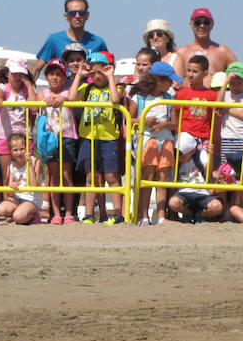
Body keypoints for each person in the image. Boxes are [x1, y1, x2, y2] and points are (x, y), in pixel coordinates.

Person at [68, 52, 123, 224]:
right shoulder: (86, 88)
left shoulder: (117, 87)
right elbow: (70, 98)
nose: (97, 76)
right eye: (93, 73)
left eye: (101, 72)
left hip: (108, 137)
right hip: (89, 137)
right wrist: (79, 75)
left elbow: (115, 100)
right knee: (91, 177)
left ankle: (118, 214)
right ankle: (89, 214)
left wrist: (110, 77)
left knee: (111, 177)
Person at [129, 63, 181, 226]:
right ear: (158, 80)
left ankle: (160, 216)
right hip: (146, 140)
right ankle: (143, 215)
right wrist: (145, 120)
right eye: (169, 81)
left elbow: (175, 123)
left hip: (165, 141)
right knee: (148, 177)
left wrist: (164, 125)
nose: (172, 84)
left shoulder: (169, 98)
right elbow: (128, 119)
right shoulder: (139, 98)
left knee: (162, 179)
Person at [37, 58, 76, 224]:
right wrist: (42, 102)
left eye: (58, 74)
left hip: (66, 137)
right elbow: (35, 106)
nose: (55, 77)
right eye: (51, 74)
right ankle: (55, 213)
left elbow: (74, 97)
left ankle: (68, 212)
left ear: (64, 77)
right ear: (46, 77)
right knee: (52, 176)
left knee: (66, 175)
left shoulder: (68, 92)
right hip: (49, 138)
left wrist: (64, 100)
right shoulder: (42, 93)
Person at [31, 0, 107, 80]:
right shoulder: (54, 40)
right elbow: (36, 70)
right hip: (64, 91)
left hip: (89, 91)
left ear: (87, 15)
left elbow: (107, 71)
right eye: (72, 13)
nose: (77, 16)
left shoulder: (98, 42)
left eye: (81, 12)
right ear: (66, 16)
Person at [0, 59, 35, 181]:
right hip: (4, 136)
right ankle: (8, 199)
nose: (18, 77)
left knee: (26, 175)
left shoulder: (27, 90)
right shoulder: (3, 87)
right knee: (7, 175)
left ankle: (26, 198)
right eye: (14, 73)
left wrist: (28, 85)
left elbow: (34, 108)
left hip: (24, 137)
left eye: (21, 73)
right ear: (7, 73)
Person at [168, 133, 224, 223]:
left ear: (192, 151)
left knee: (217, 206)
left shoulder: (201, 155)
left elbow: (209, 171)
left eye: (182, 155)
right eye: (176, 154)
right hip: (183, 193)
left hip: (202, 193)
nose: (179, 157)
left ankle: (200, 214)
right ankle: (190, 214)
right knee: (173, 202)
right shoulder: (175, 161)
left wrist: (211, 156)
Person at [174, 55, 217, 167]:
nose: (190, 74)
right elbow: (177, 116)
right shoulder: (182, 93)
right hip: (186, 136)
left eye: (195, 71)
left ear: (205, 73)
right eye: (189, 70)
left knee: (207, 167)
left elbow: (213, 119)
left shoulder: (211, 95)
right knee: (178, 159)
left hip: (203, 139)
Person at [176, 8, 237, 86]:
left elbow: (239, 74)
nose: (202, 26)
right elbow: (173, 82)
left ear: (212, 24)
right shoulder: (181, 53)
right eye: (197, 23)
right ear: (191, 24)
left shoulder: (223, 51)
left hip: (215, 97)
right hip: (187, 97)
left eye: (206, 22)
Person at [214, 62, 243, 177]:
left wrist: (226, 109)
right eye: (232, 82)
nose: (235, 85)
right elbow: (218, 104)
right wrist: (225, 82)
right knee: (225, 171)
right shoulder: (225, 95)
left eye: (239, 82)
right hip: (227, 137)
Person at [0, 133, 42, 224]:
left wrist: (29, 164)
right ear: (10, 151)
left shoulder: (35, 161)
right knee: (0, 210)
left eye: (22, 149)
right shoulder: (11, 165)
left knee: (19, 216)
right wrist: (11, 187)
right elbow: (9, 194)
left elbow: (34, 185)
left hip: (31, 199)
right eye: (15, 150)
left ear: (27, 148)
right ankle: (18, 213)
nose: (19, 153)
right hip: (16, 198)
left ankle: (33, 215)